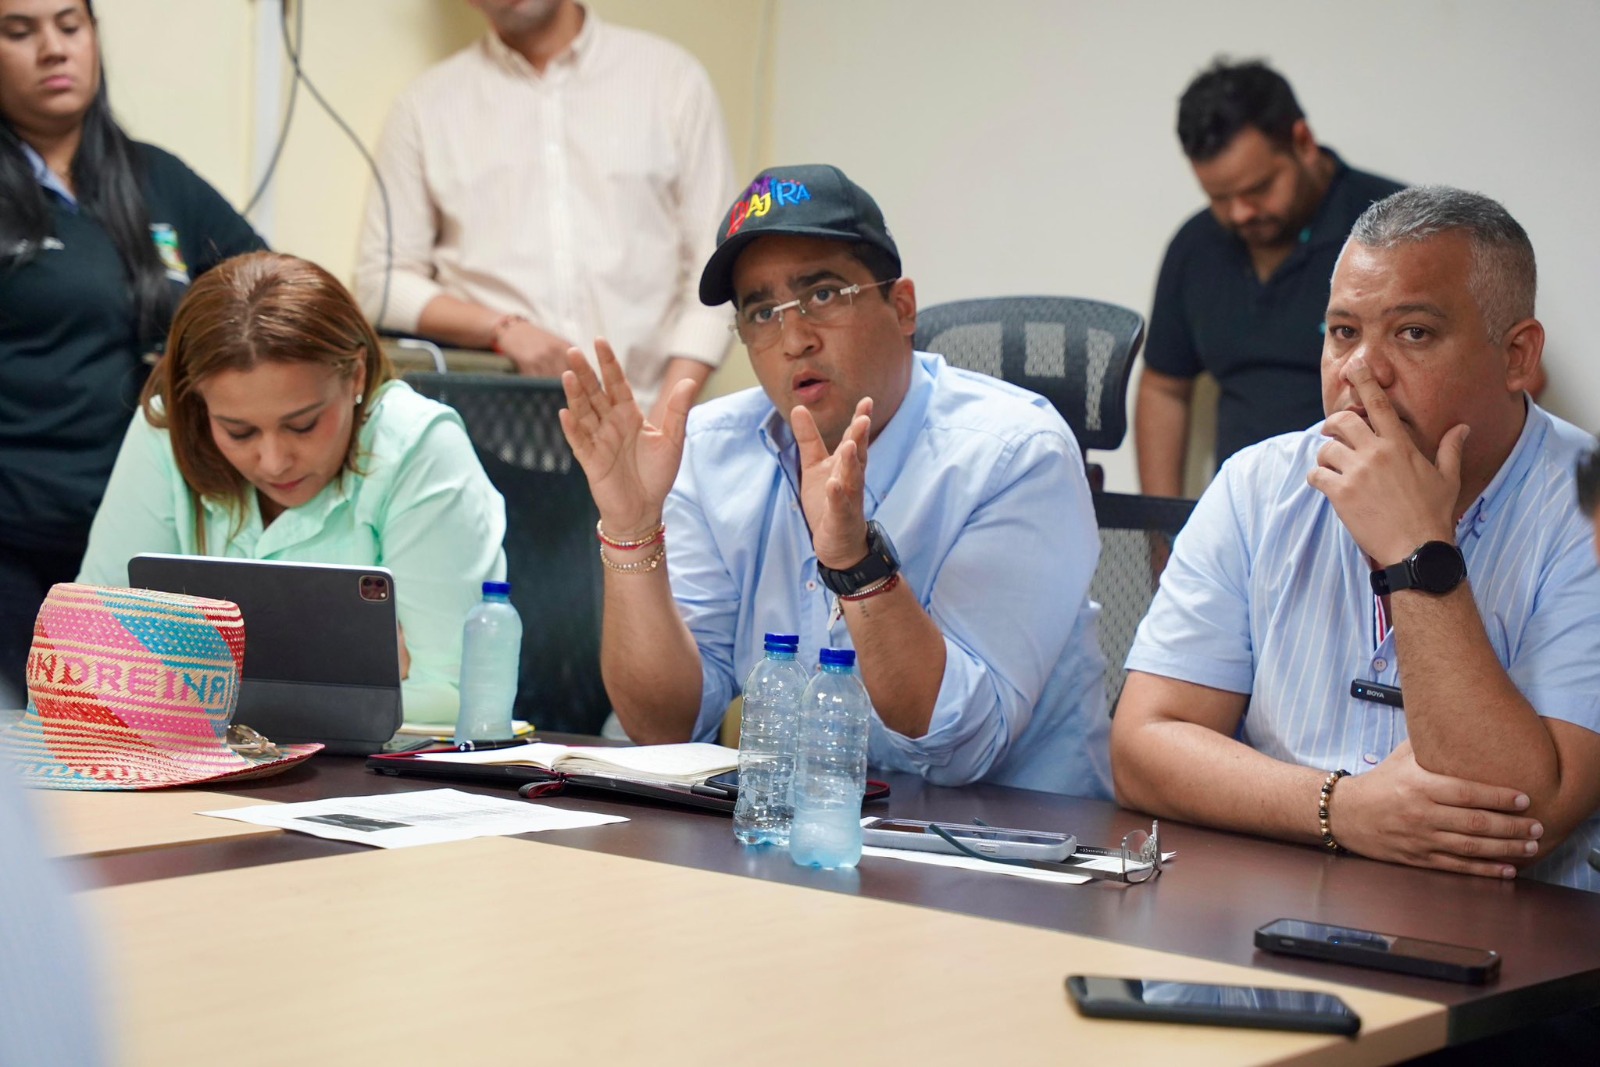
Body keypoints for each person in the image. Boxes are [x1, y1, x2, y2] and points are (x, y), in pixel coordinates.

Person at [559, 164, 1111, 795]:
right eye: (762, 312)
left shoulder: (1014, 452)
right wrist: (632, 531)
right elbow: (664, 728)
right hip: (810, 831)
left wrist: (855, 563)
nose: (793, 338)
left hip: (1024, 848)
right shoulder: (708, 453)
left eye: (821, 295)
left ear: (901, 307)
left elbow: (963, 749)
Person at [1112, 186, 1600, 892]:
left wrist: (1416, 552)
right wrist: (1338, 808)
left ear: (1517, 355)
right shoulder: (1258, 485)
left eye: (1413, 334)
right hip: (1279, 916)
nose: (1360, 371)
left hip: (1515, 962)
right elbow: (1142, 746)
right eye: (1342, 332)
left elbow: (1524, 816)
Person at [77, 252, 507, 726]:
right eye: (238, 432)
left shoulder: (419, 445)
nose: (274, 461)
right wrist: (355, 680)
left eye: (303, 425)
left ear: (356, 375)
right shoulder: (166, 430)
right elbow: (87, 665)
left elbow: (457, 698)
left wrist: (186, 681)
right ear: (198, 403)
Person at [0, 0, 264, 700]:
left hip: (143, 533)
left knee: (146, 738)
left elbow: (267, 294)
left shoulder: (155, 178)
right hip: (15, 536)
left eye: (69, 25)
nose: (53, 49)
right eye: (18, 32)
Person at [354, 0, 734, 424]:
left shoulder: (672, 80)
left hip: (651, 421)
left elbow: (717, 268)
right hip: (496, 437)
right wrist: (502, 328)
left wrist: (664, 427)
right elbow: (380, 284)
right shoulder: (425, 108)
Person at [1135, 59, 1402, 498]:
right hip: (1240, 520)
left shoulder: (1396, 230)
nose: (1240, 212)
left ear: (1303, 141)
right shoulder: (1195, 246)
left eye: (1258, 189)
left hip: (1370, 519)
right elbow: (1164, 388)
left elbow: (1484, 374)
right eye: (1219, 197)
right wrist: (1162, 532)